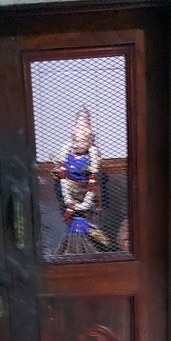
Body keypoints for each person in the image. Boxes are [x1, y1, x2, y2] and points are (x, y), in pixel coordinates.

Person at [53, 107, 110, 254]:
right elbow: (61, 179)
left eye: (81, 140)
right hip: (69, 200)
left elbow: (99, 181)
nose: (76, 144)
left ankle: (87, 255)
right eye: (74, 139)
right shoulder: (67, 155)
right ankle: (72, 255)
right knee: (74, 225)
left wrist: (97, 200)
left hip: (88, 200)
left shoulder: (93, 158)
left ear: (90, 141)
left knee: (82, 226)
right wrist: (58, 173)